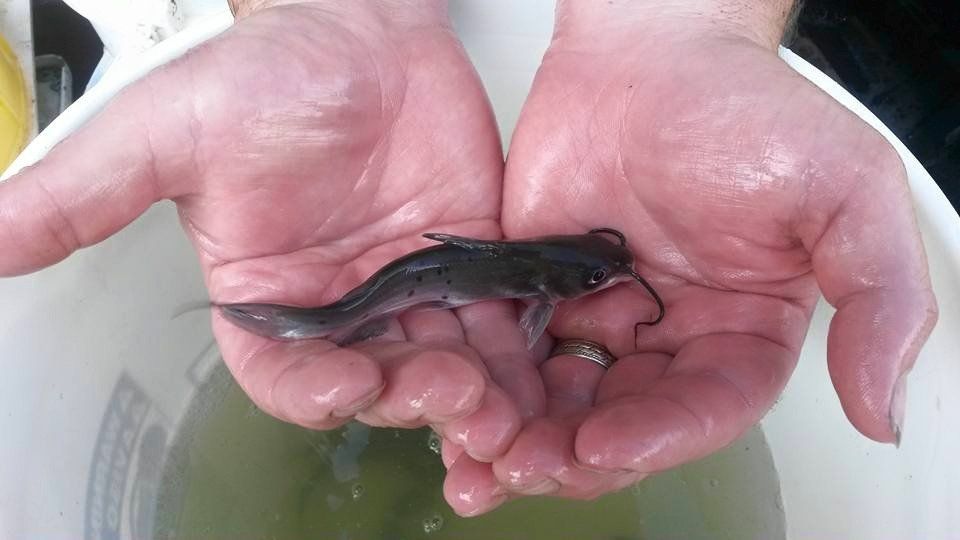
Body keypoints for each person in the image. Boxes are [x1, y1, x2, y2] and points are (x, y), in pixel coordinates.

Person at [0, 0, 937, 517]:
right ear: (552, 287)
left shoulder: (542, 271)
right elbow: (529, 287)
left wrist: (686, 22)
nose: (610, 281)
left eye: (605, 277)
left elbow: (514, 272)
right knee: (341, 330)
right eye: (596, 277)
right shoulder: (539, 284)